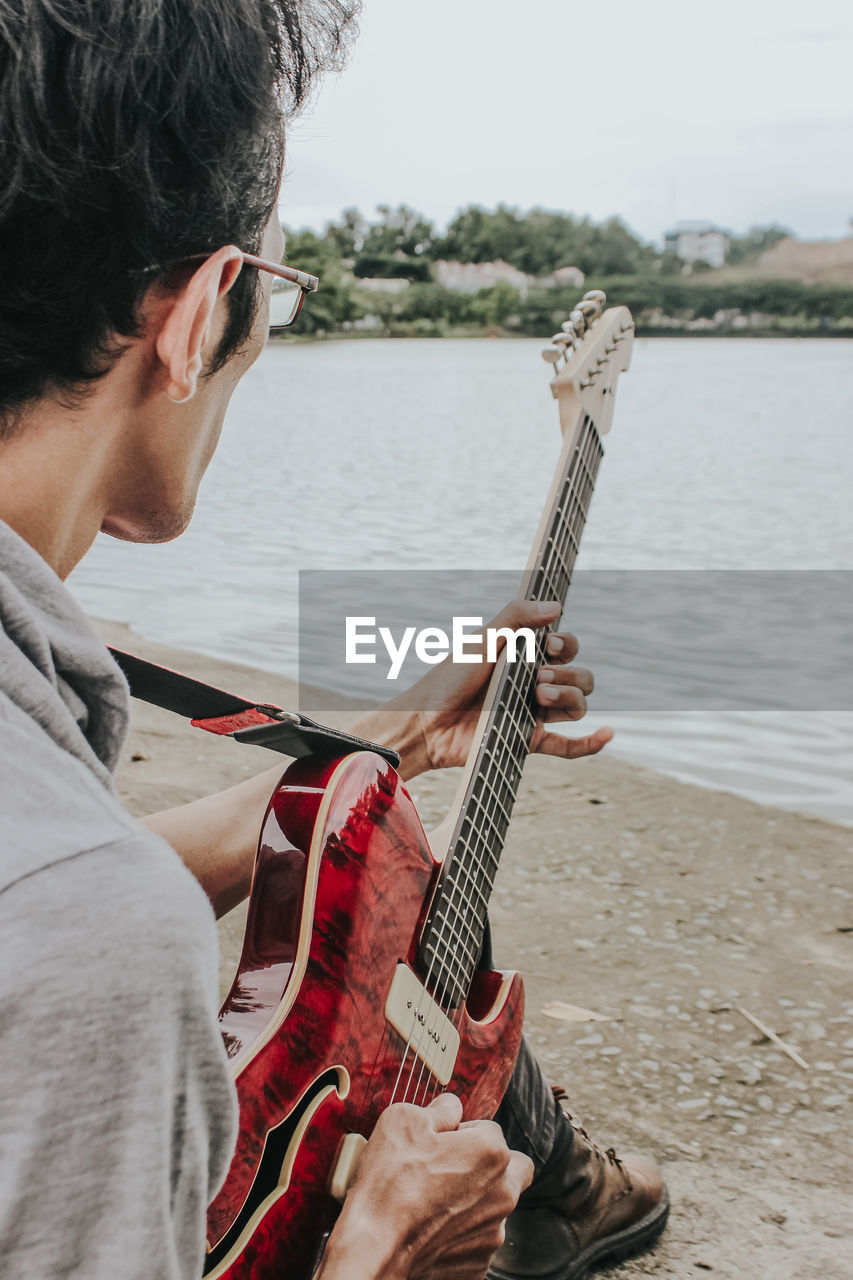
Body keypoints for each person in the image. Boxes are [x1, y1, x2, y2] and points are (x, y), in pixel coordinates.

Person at [0, 3, 669, 1278]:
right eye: (279, 295)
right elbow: (66, 914)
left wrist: (390, 737)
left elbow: (43, 887)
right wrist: (379, 1247)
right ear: (202, 312)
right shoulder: (88, 937)